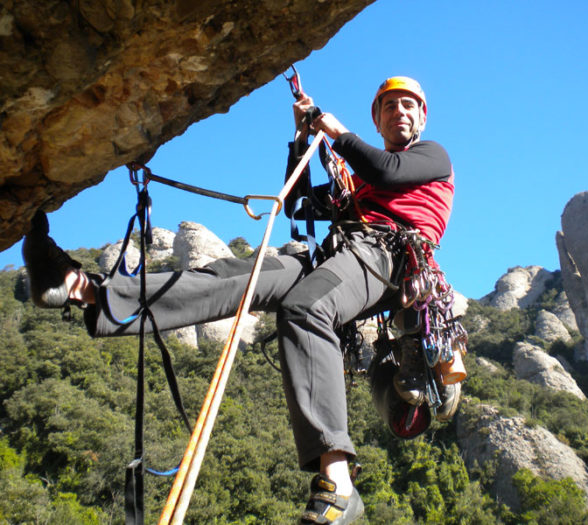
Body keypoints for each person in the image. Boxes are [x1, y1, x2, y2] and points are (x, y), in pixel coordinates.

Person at [22, 76, 454, 525]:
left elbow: (385, 170)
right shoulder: (357, 185)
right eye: (389, 106)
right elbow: (300, 206)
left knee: (307, 308)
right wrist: (301, 141)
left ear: (421, 117)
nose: (399, 112)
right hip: (340, 256)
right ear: (378, 117)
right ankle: (81, 289)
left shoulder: (431, 157)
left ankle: (340, 482)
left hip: (389, 257)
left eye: (408, 105)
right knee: (237, 275)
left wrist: (336, 131)